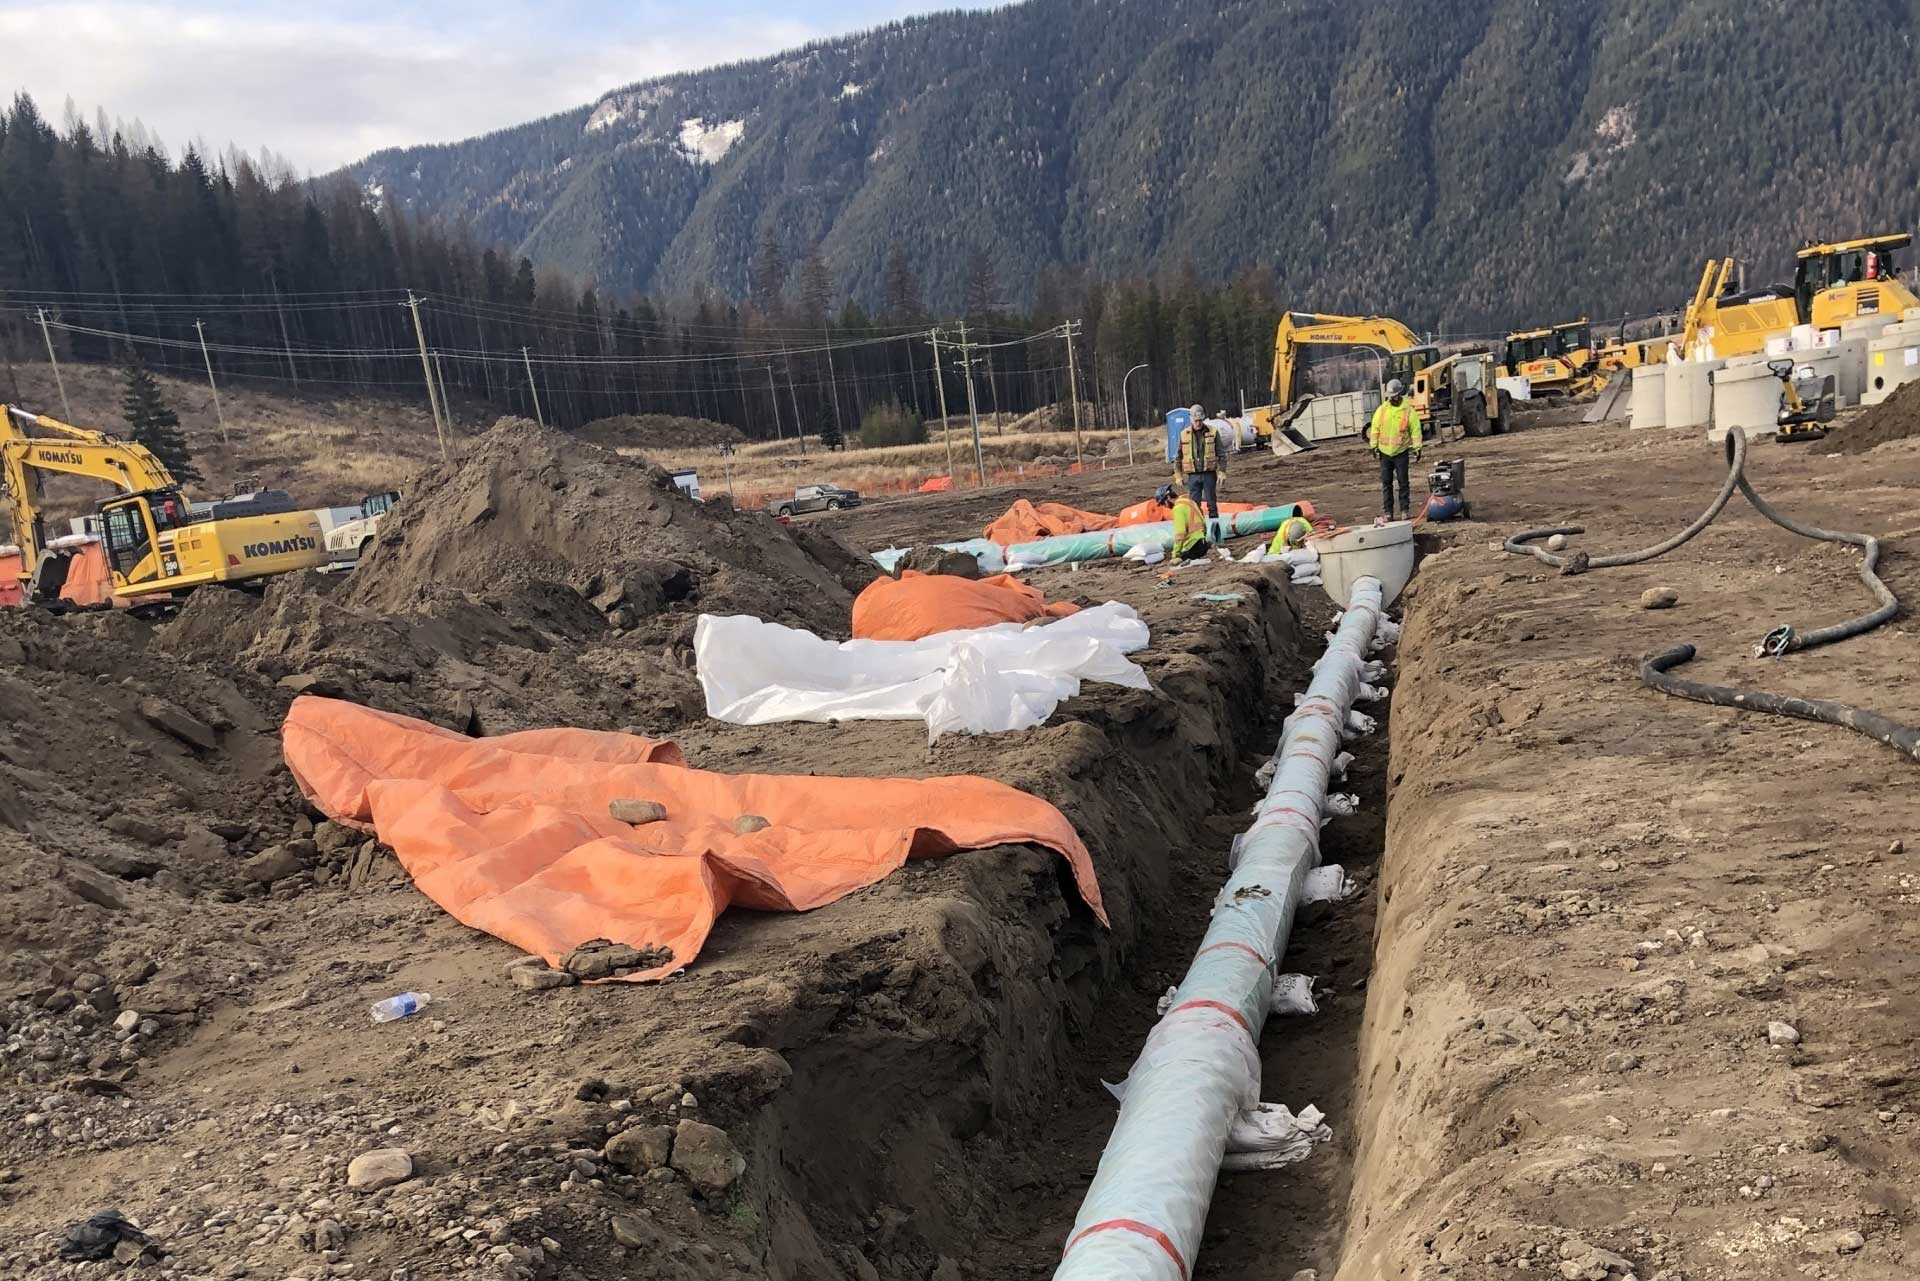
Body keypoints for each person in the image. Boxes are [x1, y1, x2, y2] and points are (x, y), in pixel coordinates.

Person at [1368, 380, 1423, 522]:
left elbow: (1415, 431)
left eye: (1394, 396)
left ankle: (1404, 510)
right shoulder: (1382, 410)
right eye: (1390, 397)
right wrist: (1374, 446)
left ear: (1400, 395)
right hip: (1385, 453)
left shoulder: (1408, 411)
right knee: (1386, 484)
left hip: (1401, 452)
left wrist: (1417, 448)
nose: (1392, 399)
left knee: (1403, 482)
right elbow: (1375, 429)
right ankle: (1388, 512)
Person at [1177, 403, 1223, 520]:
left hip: (1209, 474)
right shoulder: (1184, 435)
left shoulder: (1213, 432)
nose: (1198, 423)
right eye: (1195, 420)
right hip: (1193, 476)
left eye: (1200, 420)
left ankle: (1214, 531)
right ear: (1191, 419)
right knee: (1194, 507)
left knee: (1211, 504)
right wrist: (1178, 475)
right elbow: (1178, 457)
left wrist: (1222, 471)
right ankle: (1199, 533)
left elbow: (1221, 454)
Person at [1159, 483, 1210, 561]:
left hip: (1192, 545)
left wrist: (1175, 554)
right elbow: (1202, 520)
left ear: (1168, 497)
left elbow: (1180, 534)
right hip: (1202, 542)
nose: (1165, 506)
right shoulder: (1189, 502)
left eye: (1163, 503)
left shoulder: (1178, 508)